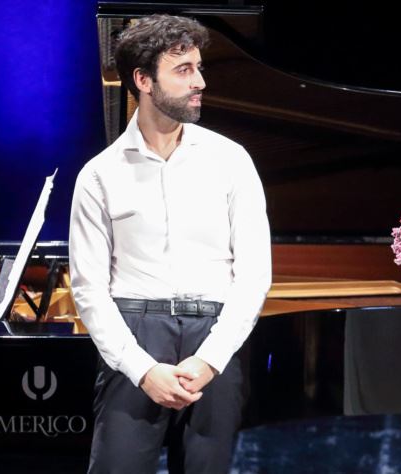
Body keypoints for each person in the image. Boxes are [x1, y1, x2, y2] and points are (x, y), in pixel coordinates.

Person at [68, 14, 271, 473]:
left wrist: (212, 358)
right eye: (183, 70)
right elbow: (88, 289)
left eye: (199, 67)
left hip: (214, 334)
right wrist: (142, 369)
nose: (199, 81)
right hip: (137, 332)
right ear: (142, 80)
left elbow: (255, 274)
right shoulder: (99, 175)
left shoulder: (231, 160)